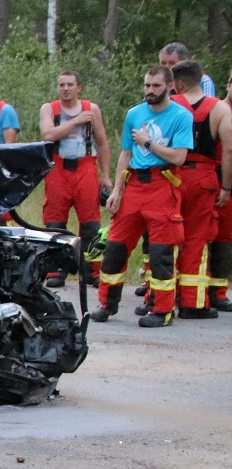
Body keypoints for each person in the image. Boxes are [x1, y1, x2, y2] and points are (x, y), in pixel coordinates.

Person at [90, 65, 192, 327]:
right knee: (114, 248)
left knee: (160, 255)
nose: (149, 91)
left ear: (170, 86)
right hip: (134, 184)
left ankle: (162, 310)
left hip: (162, 185)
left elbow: (179, 156)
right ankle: (106, 304)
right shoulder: (134, 114)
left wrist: (148, 142)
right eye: (147, 85)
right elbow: (125, 153)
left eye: (156, 86)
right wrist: (116, 191)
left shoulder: (181, 116)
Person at [167, 59, 232, 317]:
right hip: (204, 177)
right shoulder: (219, 109)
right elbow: (227, 150)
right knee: (197, 239)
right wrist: (226, 186)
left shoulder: (169, 105)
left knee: (167, 237)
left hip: (173, 175)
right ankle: (193, 303)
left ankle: (159, 297)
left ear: (178, 83)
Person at [38, 71, 111, 287]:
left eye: (70, 84)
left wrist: (106, 175)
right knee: (54, 220)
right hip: (58, 167)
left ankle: (91, 270)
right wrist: (76, 121)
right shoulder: (49, 109)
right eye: (62, 84)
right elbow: (48, 135)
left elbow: (102, 142)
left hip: (85, 166)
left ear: (79, 87)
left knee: (90, 221)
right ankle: (55, 270)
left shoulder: (92, 109)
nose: (65, 88)